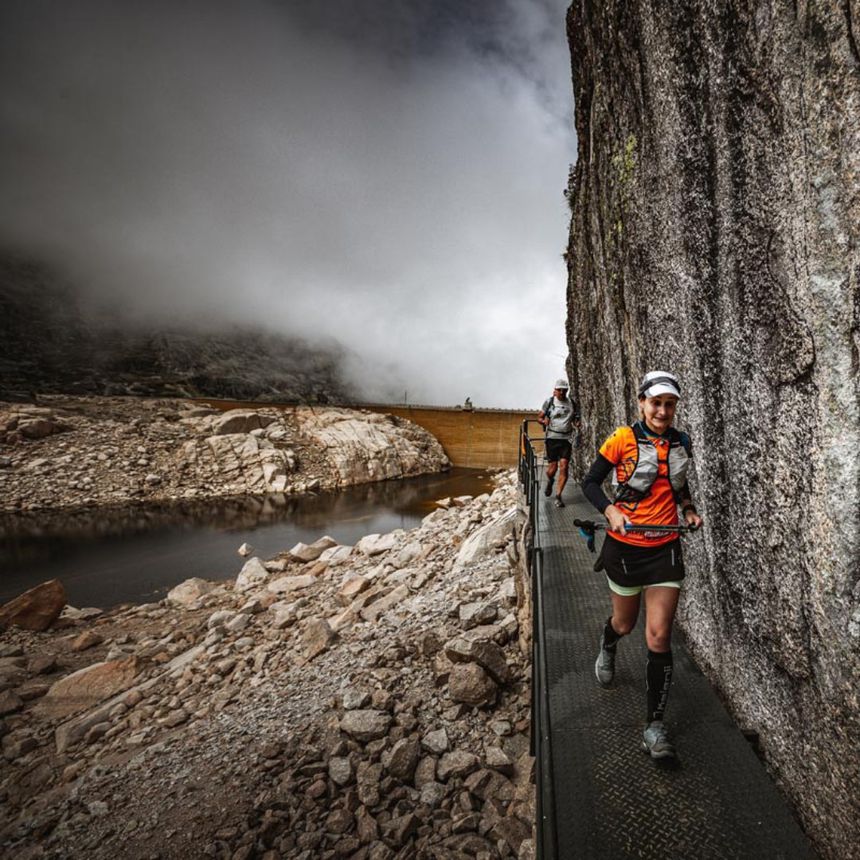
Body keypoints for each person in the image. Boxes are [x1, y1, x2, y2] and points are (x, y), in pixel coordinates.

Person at [581, 370, 703, 760]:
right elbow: (589, 483)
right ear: (642, 403)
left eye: (670, 404)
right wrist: (610, 509)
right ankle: (609, 641)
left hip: (665, 547)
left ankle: (654, 727)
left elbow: (676, 483)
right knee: (625, 623)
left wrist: (688, 509)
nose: (663, 411)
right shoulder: (622, 439)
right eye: (656, 403)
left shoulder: (682, 441)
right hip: (626, 548)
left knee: (658, 636)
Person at [538, 378, 579, 508]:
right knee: (552, 469)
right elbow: (539, 417)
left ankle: (558, 496)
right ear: (554, 391)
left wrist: (577, 423)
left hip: (566, 439)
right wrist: (543, 421)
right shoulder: (549, 402)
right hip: (552, 438)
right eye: (559, 390)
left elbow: (576, 418)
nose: (562, 392)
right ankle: (550, 480)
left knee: (564, 466)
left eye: (564, 390)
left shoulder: (572, 403)